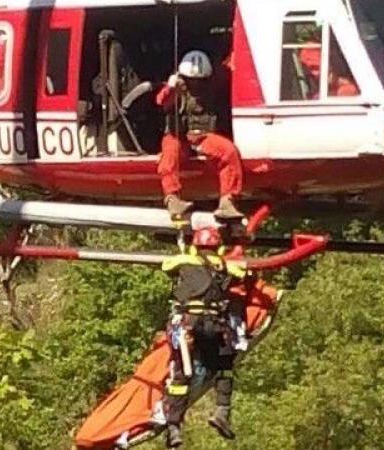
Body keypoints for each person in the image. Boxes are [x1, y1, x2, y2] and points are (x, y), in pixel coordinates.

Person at [161, 227, 248, 448]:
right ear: (218, 247)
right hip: (214, 326)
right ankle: (222, 411)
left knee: (180, 376)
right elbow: (244, 274)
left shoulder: (182, 261)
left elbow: (166, 266)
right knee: (224, 367)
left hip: (188, 324)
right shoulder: (225, 266)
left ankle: (174, 427)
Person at [156, 50, 244, 220]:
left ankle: (228, 201)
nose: (195, 84)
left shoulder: (213, 87)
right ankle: (173, 199)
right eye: (191, 80)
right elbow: (161, 101)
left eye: (200, 81)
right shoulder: (176, 91)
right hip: (180, 136)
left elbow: (227, 71)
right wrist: (170, 88)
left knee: (229, 151)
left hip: (204, 136)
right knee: (169, 153)